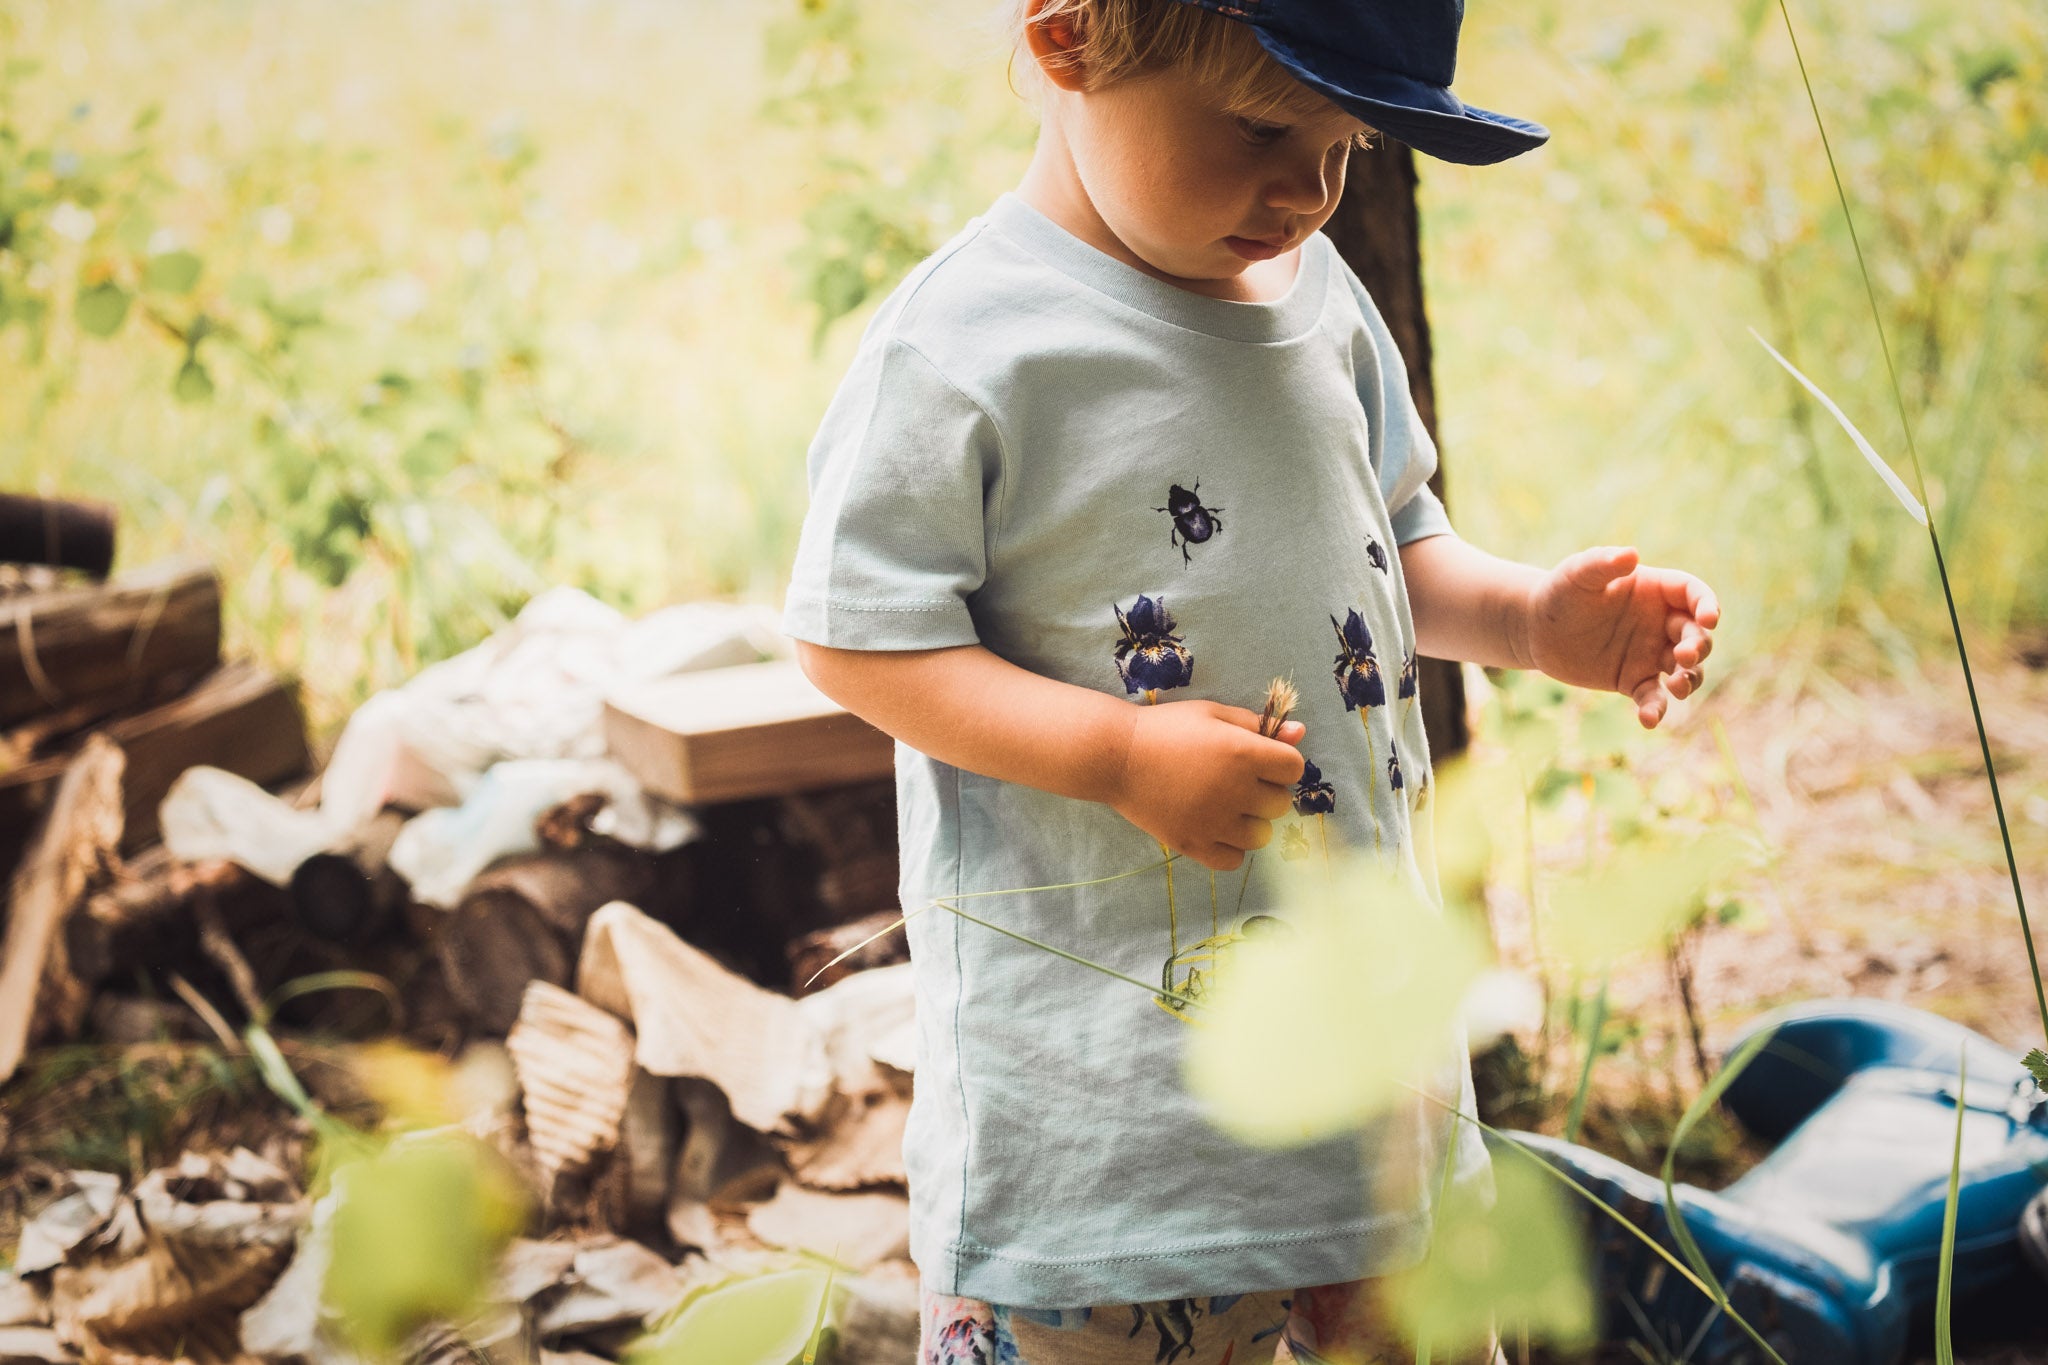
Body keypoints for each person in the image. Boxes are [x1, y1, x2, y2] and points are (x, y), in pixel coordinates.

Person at [782, 1, 1720, 1359]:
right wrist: (1115, 757)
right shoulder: (966, 346)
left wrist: (1528, 619)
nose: (1307, 188)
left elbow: (1391, 546)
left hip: (1376, 1129)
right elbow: (855, 634)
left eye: (1343, 144)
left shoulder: (1324, 296)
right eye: (1265, 127)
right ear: (1070, 42)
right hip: (1107, 1155)